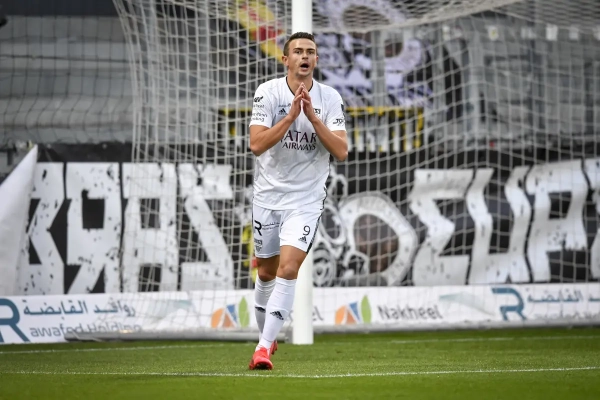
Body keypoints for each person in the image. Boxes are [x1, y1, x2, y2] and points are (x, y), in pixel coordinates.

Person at [248, 31, 348, 370]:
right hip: (268, 196)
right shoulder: (268, 92)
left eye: (310, 52)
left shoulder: (329, 97)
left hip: (305, 200)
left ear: (316, 59)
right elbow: (256, 145)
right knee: (266, 272)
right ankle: (267, 335)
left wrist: (313, 117)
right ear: (286, 59)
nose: (305, 56)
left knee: (289, 269)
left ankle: (262, 349)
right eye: (298, 51)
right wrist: (291, 117)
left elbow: (341, 151)